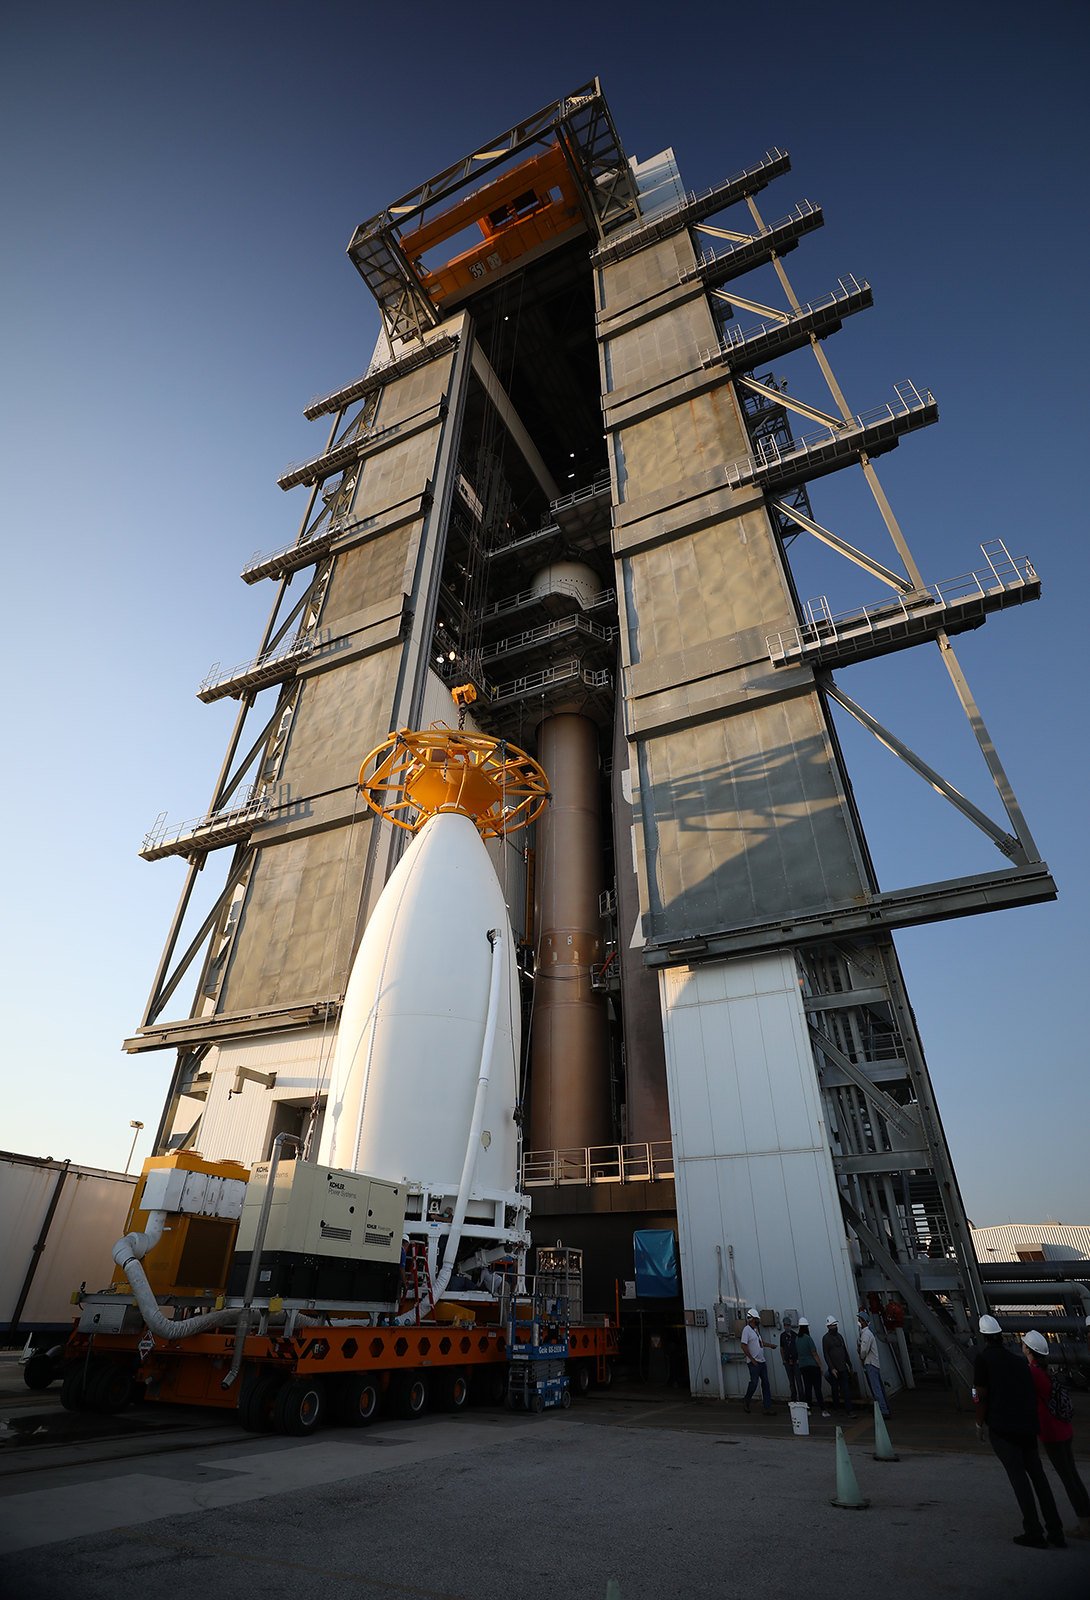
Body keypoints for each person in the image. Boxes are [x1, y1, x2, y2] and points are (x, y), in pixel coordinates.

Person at [973, 1314, 1064, 1549]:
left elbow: (980, 1396)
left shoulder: (983, 1360)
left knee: (1019, 1479)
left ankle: (1033, 1531)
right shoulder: (1018, 1362)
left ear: (984, 1337)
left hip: (1003, 1428)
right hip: (1027, 1428)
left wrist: (978, 1424)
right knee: (1039, 1478)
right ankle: (1056, 1531)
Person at [1022, 1330, 1090, 1539]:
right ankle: (1087, 1519)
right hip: (1063, 1428)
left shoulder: (1032, 1373)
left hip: (1051, 1432)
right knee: (1073, 1475)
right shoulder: (1046, 1370)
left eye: (1024, 1344)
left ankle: (1085, 1525)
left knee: (1067, 1477)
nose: (1022, 1346)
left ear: (1029, 1350)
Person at [741, 1308, 777, 1414]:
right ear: (752, 1319)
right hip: (754, 1363)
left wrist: (770, 1346)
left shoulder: (756, 1331)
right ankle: (746, 1401)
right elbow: (743, 1345)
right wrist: (752, 1360)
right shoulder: (746, 1330)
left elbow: (760, 1343)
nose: (758, 1321)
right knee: (754, 1383)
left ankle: (767, 1407)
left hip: (762, 1361)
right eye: (756, 1319)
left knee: (765, 1384)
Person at [857, 1311, 891, 1420]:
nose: (858, 1322)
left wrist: (861, 1355)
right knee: (878, 1388)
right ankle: (884, 1408)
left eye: (860, 1320)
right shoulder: (868, 1333)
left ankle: (883, 1410)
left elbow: (863, 1351)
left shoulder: (866, 1334)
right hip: (874, 1364)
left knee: (876, 1389)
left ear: (863, 1321)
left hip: (870, 1364)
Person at [822, 1316, 857, 1418]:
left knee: (846, 1390)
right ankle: (837, 1409)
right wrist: (832, 1368)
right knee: (835, 1390)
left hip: (843, 1368)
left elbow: (844, 1350)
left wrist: (849, 1363)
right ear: (828, 1326)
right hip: (834, 1370)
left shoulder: (839, 1336)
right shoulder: (826, 1338)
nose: (835, 1327)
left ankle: (849, 1410)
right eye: (833, 1325)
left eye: (835, 1325)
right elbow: (826, 1354)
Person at [795, 1317, 826, 1415]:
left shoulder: (797, 1339)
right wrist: (820, 1365)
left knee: (807, 1388)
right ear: (807, 1327)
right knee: (817, 1388)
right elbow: (814, 1353)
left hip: (803, 1366)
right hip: (812, 1366)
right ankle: (823, 1410)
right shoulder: (808, 1338)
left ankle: (808, 1409)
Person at [780, 1315, 801, 1401]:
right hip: (787, 1362)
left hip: (796, 1361)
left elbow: (799, 1348)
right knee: (791, 1382)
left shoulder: (795, 1335)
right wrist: (784, 1360)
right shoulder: (782, 1336)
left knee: (799, 1381)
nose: (786, 1327)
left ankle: (802, 1399)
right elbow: (781, 1348)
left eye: (788, 1325)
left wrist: (799, 1359)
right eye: (785, 1325)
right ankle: (794, 1399)